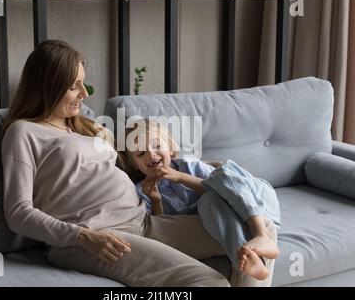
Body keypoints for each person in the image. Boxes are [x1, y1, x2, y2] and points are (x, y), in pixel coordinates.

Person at [1, 39, 276, 287]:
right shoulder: (24, 132)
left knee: (256, 235)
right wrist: (83, 237)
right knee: (209, 282)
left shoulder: (86, 128)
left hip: (145, 222)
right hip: (98, 236)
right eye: (73, 86)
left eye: (83, 83)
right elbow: (18, 212)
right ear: (47, 86)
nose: (84, 93)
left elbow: (142, 156)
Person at [118, 119, 281, 281]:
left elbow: (225, 188)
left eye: (157, 146)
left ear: (169, 146)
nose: (151, 154)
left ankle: (262, 234)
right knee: (207, 201)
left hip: (258, 200)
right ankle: (249, 258)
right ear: (134, 165)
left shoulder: (189, 166)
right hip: (222, 217)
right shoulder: (141, 190)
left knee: (222, 173)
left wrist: (181, 177)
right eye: (140, 154)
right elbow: (162, 229)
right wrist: (156, 200)